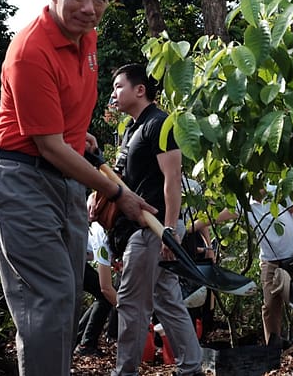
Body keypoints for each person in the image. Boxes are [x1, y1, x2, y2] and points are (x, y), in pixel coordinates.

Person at [0, 0, 155, 375]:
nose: (88, 7)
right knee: (49, 296)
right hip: (21, 178)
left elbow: (61, 125)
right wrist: (116, 192)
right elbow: (48, 146)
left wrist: (78, 135)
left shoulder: (88, 38)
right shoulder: (30, 51)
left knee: (66, 294)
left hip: (62, 178)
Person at [107, 63, 204, 376]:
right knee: (167, 298)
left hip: (154, 228)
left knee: (132, 302)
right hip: (144, 229)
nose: (113, 94)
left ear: (140, 90)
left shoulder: (159, 123)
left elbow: (172, 178)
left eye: (119, 86)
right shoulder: (133, 129)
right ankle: (191, 366)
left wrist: (170, 231)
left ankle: (126, 371)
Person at [193, 185, 293, 349]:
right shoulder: (244, 202)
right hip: (270, 261)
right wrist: (188, 228)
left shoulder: (279, 192)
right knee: (270, 307)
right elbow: (216, 217)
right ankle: (272, 350)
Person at [76, 218, 116, 357]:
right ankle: (87, 344)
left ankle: (79, 339)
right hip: (72, 260)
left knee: (102, 297)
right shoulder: (102, 235)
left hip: (77, 259)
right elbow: (106, 289)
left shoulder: (110, 229)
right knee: (105, 296)